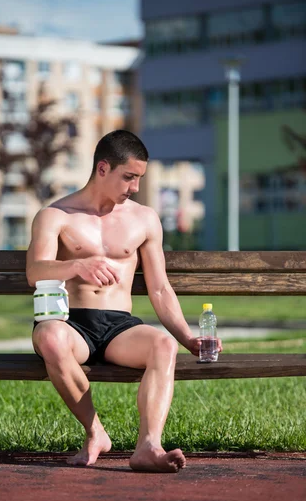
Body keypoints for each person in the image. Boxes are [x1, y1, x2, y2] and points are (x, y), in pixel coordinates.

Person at [26, 130, 222, 473]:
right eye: (129, 177)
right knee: (50, 338)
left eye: (139, 178)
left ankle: (148, 446)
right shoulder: (56, 215)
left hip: (119, 327)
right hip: (70, 323)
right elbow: (35, 272)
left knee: (162, 344)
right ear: (103, 168)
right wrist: (76, 266)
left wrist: (187, 338)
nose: (134, 187)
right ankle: (95, 432)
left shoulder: (144, 219)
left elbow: (160, 289)